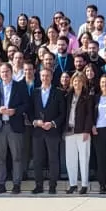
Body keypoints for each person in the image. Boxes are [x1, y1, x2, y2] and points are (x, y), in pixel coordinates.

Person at [0, 61, 29, 194]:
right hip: (0, 127)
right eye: (2, 72)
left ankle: (16, 184)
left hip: (15, 126)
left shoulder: (20, 87)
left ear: (11, 73)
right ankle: (1, 184)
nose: (5, 74)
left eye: (7, 72)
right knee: (0, 158)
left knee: (17, 157)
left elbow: (26, 104)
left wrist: (15, 111)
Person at [28, 65, 66, 194]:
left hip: (52, 131)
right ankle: (38, 185)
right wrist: (35, 121)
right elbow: (30, 111)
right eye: (43, 76)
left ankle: (52, 186)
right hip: (38, 131)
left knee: (53, 159)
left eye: (47, 76)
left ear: (51, 77)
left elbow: (63, 113)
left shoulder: (58, 92)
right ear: (39, 77)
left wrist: (53, 123)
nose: (45, 78)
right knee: (38, 159)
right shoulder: (34, 92)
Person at [62, 71, 94, 195]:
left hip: (82, 132)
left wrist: (87, 130)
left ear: (83, 83)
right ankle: (73, 184)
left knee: (84, 158)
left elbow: (89, 115)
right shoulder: (68, 95)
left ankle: (84, 184)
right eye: (75, 81)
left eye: (80, 81)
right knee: (70, 159)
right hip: (70, 131)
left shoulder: (88, 96)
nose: (77, 83)